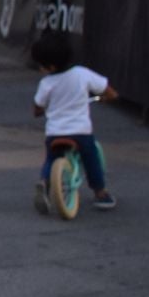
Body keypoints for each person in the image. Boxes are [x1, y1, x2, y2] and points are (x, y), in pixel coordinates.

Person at [31, 33, 117, 213]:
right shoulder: (82, 74)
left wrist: (43, 110)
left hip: (55, 133)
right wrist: (102, 98)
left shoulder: (46, 83)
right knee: (90, 157)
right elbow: (110, 93)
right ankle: (100, 193)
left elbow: (37, 109)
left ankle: (45, 182)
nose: (40, 68)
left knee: (51, 159)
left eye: (41, 65)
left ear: (51, 66)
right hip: (80, 132)